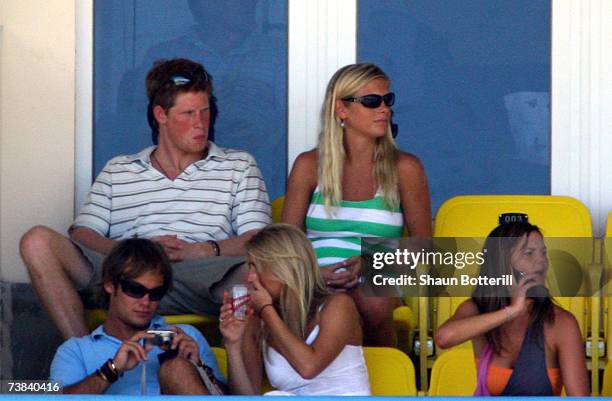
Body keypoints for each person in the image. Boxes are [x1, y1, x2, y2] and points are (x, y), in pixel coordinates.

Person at [20, 58, 271, 340]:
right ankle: (87, 355)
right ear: (161, 115)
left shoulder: (238, 165)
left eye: (205, 112)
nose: (200, 123)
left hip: (198, 277)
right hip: (124, 276)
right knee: (37, 241)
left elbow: (258, 238)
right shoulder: (120, 168)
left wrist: (202, 250)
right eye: (188, 114)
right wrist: (130, 251)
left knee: (271, 272)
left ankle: (247, 375)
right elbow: (83, 233)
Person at [281, 63, 432, 346]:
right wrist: (313, 275)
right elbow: (284, 244)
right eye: (372, 102)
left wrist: (369, 264)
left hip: (380, 274)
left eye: (388, 100)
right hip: (317, 277)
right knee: (321, 301)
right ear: (342, 110)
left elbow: (423, 247)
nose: (384, 109)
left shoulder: (404, 167)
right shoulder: (308, 165)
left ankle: (382, 380)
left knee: (369, 298)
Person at [50, 238, 225, 395]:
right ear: (110, 284)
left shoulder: (185, 336)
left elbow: (230, 397)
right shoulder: (75, 350)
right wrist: (111, 369)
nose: (145, 301)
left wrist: (199, 369)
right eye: (135, 290)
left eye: (156, 293)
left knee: (177, 368)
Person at [434, 222, 589, 396]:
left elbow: (580, 398)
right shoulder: (477, 309)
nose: (542, 261)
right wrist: (512, 311)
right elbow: (443, 338)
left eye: (543, 253)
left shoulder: (562, 323)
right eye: (528, 253)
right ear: (501, 264)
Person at [219, 224, 371, 396]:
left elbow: (309, 367)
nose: (250, 277)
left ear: (285, 269)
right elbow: (246, 396)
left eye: (256, 267)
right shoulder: (257, 321)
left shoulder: (338, 305)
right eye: (249, 268)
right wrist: (233, 344)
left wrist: (266, 309)